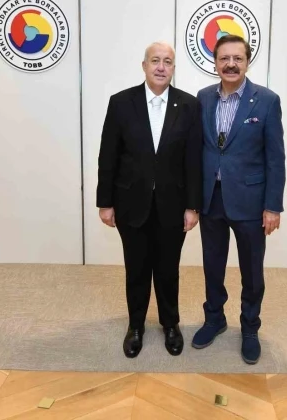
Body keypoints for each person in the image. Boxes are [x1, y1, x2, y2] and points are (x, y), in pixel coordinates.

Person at [97, 41, 201, 358]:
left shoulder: (189, 105)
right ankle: (136, 326)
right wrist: (105, 202)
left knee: (168, 270)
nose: (160, 67)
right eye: (155, 60)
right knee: (137, 269)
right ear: (144, 66)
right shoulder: (121, 103)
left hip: (173, 205)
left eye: (167, 62)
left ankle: (171, 325)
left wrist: (192, 205)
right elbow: (108, 156)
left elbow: (194, 160)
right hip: (131, 204)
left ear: (173, 69)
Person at [191, 34, 285, 364]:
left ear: (247, 62)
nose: (230, 64)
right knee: (212, 265)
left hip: (250, 201)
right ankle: (214, 318)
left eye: (237, 58)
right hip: (211, 199)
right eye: (224, 58)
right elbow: (196, 150)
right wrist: (192, 199)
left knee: (252, 271)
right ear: (215, 62)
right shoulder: (203, 98)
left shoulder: (267, 100)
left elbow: (275, 158)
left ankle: (249, 327)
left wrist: (272, 206)